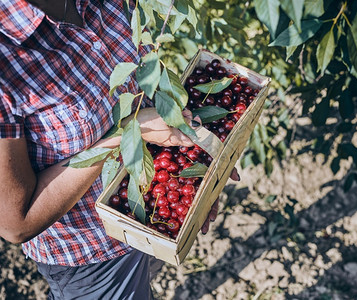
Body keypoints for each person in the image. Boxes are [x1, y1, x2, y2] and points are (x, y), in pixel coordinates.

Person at [0, 0, 238, 298]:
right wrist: (127, 131)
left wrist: (190, 177)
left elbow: (142, 76)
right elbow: (16, 223)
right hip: (92, 256)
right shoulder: (6, 57)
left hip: (150, 210)